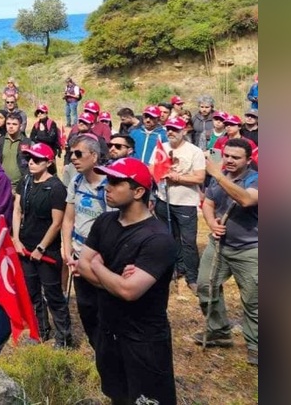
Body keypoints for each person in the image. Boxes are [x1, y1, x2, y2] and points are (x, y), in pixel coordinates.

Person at [77, 157, 178, 405]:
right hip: (109, 332)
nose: (106, 186)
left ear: (138, 191)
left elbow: (128, 291)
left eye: (115, 182)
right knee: (118, 397)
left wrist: (99, 266)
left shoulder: (158, 238)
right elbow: (81, 265)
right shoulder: (104, 221)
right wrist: (114, 281)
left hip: (144, 341)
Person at [195, 139, 259, 367]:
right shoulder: (219, 176)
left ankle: (256, 345)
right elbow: (208, 204)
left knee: (253, 300)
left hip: (251, 249)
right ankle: (218, 330)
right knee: (205, 285)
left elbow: (245, 199)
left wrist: (218, 175)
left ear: (248, 160)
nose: (229, 160)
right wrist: (211, 223)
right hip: (219, 246)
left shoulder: (257, 179)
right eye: (227, 156)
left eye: (236, 157)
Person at [12, 142, 72, 347]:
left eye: (37, 159)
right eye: (29, 158)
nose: (31, 162)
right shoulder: (25, 181)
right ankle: (41, 330)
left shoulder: (56, 188)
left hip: (47, 251)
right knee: (32, 293)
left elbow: (57, 222)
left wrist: (41, 248)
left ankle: (63, 338)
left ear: (48, 162)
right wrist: (17, 240)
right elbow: (17, 211)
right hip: (25, 248)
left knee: (53, 294)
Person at [61, 134, 114, 347]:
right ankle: (96, 347)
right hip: (77, 254)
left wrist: (92, 258)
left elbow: (113, 228)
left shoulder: (109, 187)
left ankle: (107, 349)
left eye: (78, 153)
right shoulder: (76, 181)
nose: (73, 158)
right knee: (85, 307)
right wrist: (67, 250)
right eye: (71, 153)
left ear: (94, 156)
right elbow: (68, 218)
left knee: (103, 307)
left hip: (98, 259)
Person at [154, 118, 206, 290]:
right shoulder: (162, 147)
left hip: (185, 203)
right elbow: (151, 168)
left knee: (188, 241)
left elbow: (199, 177)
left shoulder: (194, 151)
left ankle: (193, 276)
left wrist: (179, 178)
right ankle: (175, 268)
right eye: (168, 128)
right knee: (169, 237)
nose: (170, 132)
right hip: (164, 199)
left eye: (175, 129)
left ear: (184, 131)